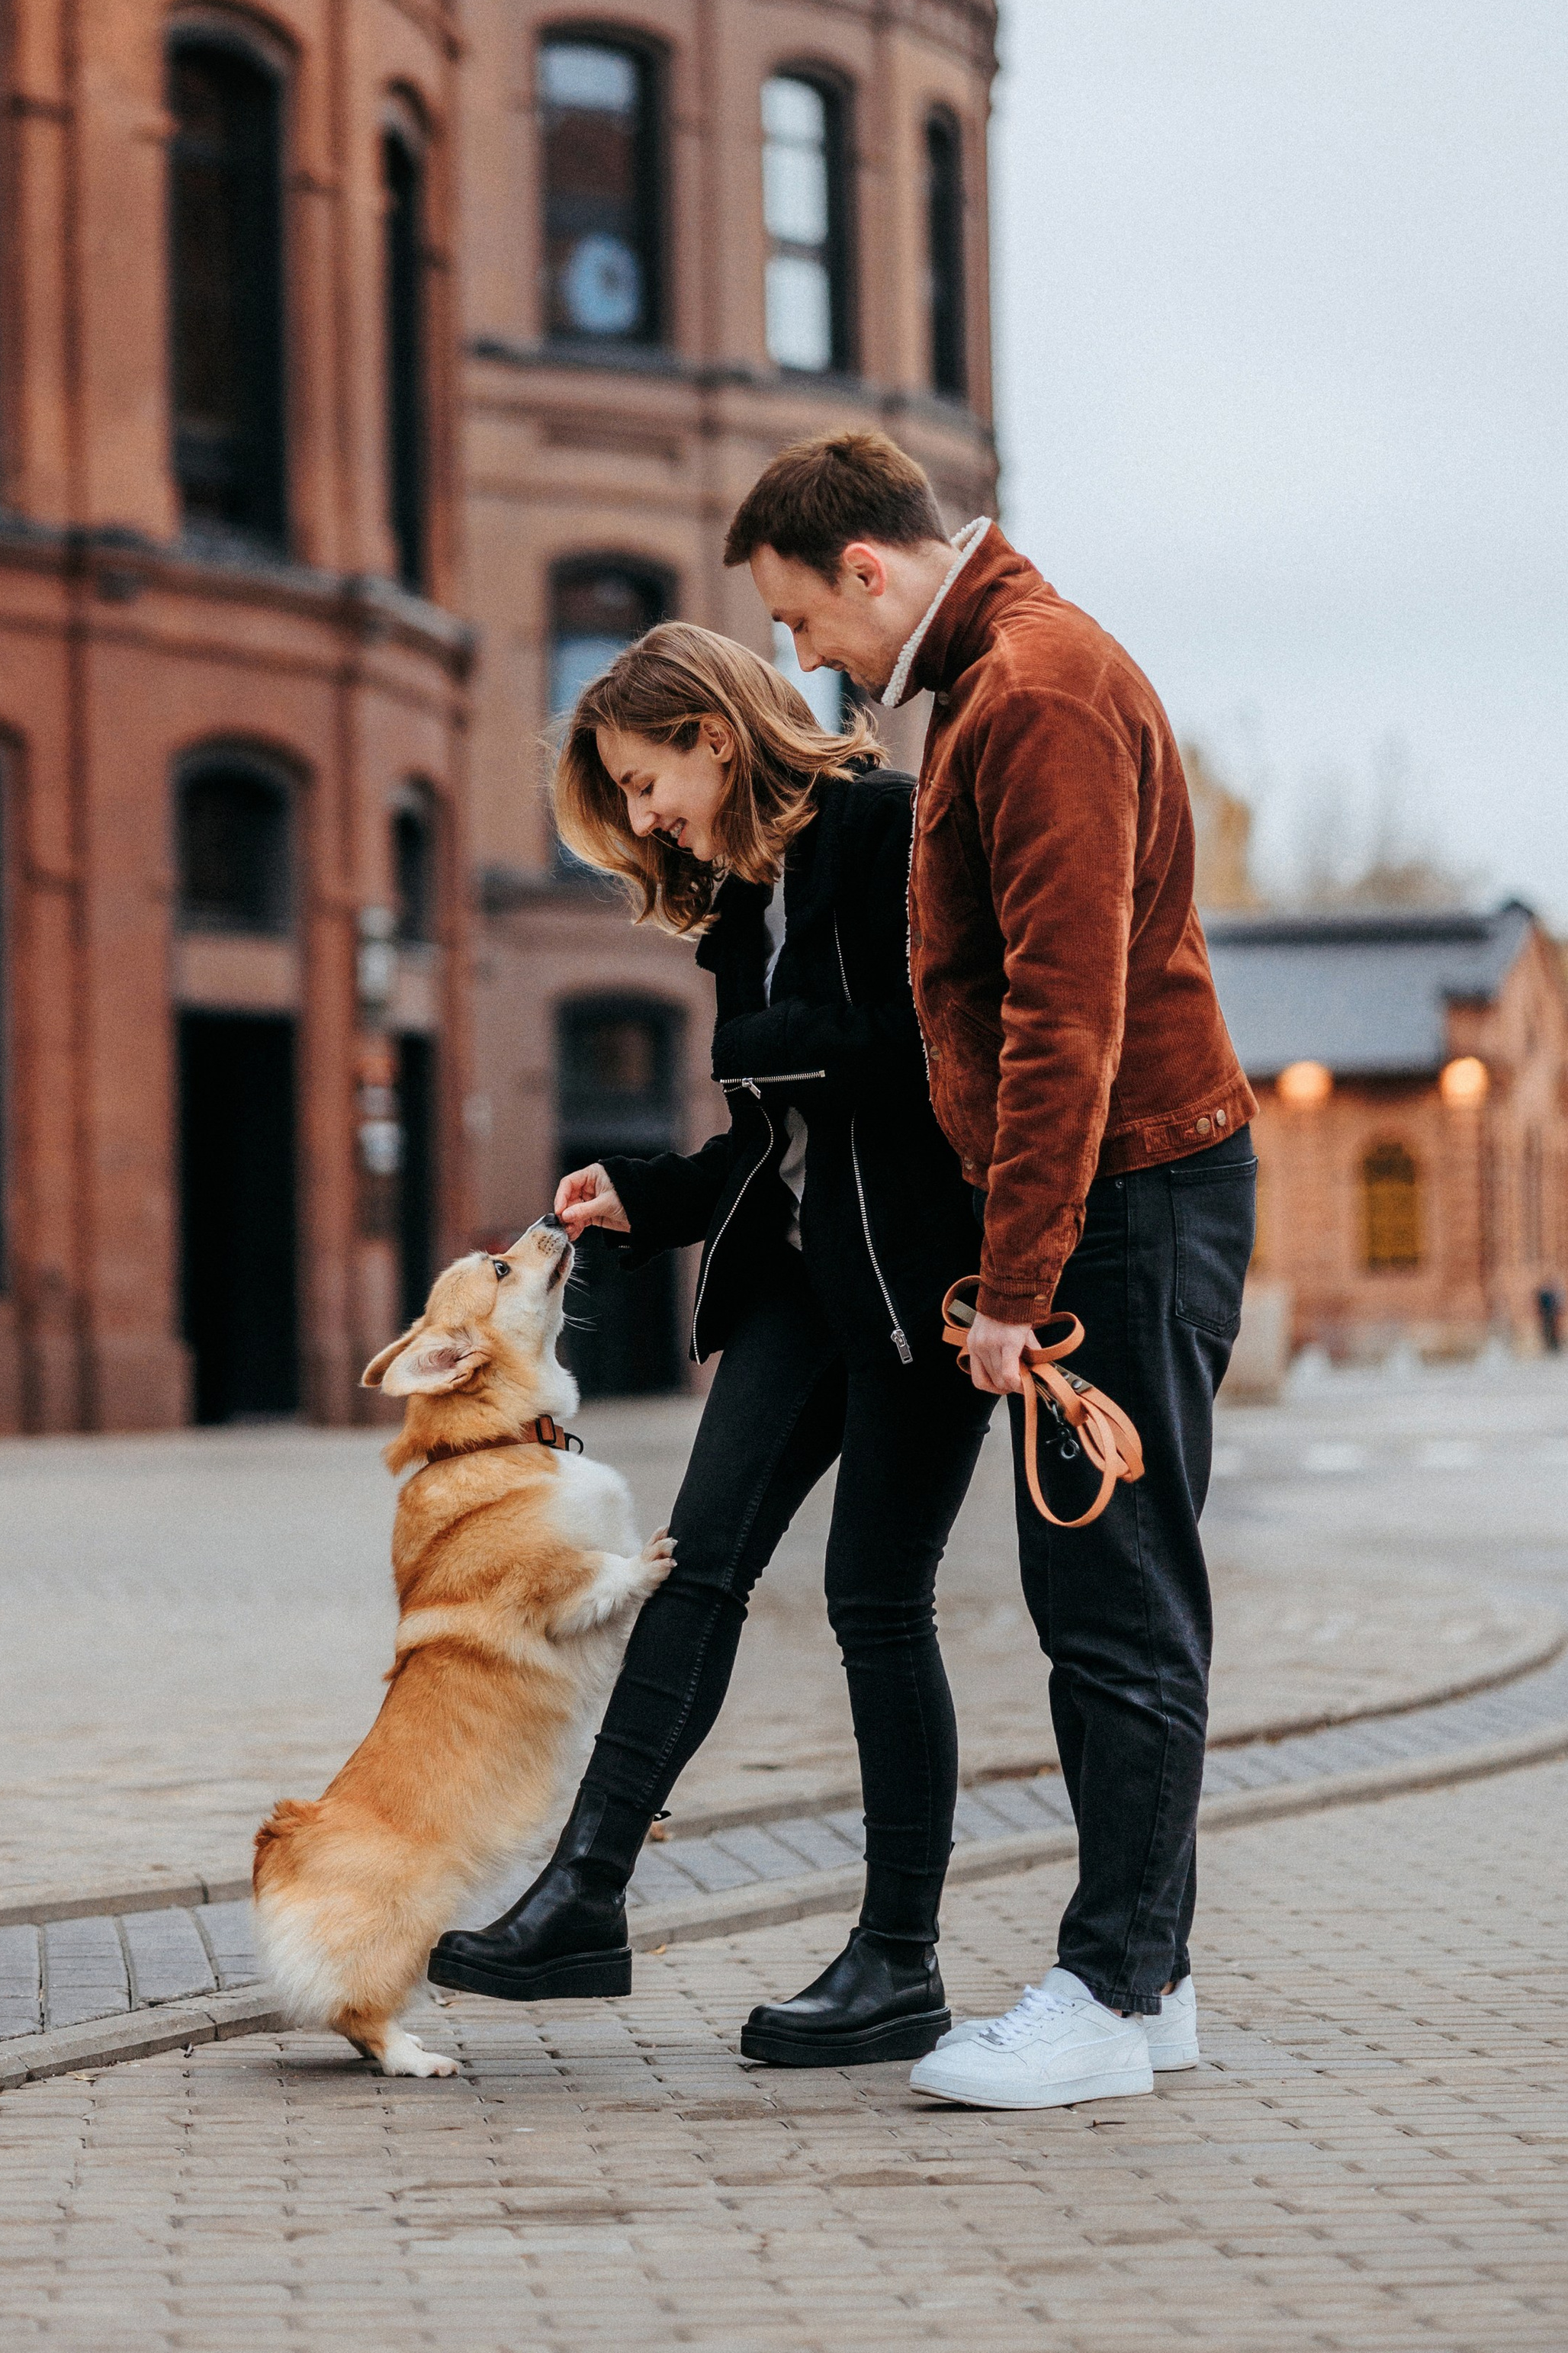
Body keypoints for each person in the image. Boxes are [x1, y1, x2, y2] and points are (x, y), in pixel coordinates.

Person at [728, 429, 1258, 2110]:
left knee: (1110, 1601)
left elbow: (1065, 1022)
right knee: (1110, 1591)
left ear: (869, 571)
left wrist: (1014, 1282)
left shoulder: (1027, 693)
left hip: (1129, 1199)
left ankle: (1103, 1998)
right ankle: (1147, 1982)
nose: (804, 661)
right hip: (1131, 1192)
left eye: (803, 621)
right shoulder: (1001, 678)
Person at [429, 622, 990, 2068]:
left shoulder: (884, 829)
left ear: (716, 739)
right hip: (801, 1281)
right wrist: (649, 1196)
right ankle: (584, 1897)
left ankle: (900, 1961)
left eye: (642, 780)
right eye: (620, 796)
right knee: (694, 1568)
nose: (641, 818)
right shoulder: (745, 903)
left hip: (923, 1285)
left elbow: (940, 1051)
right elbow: (773, 1136)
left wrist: (763, 1056)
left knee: (877, 1602)